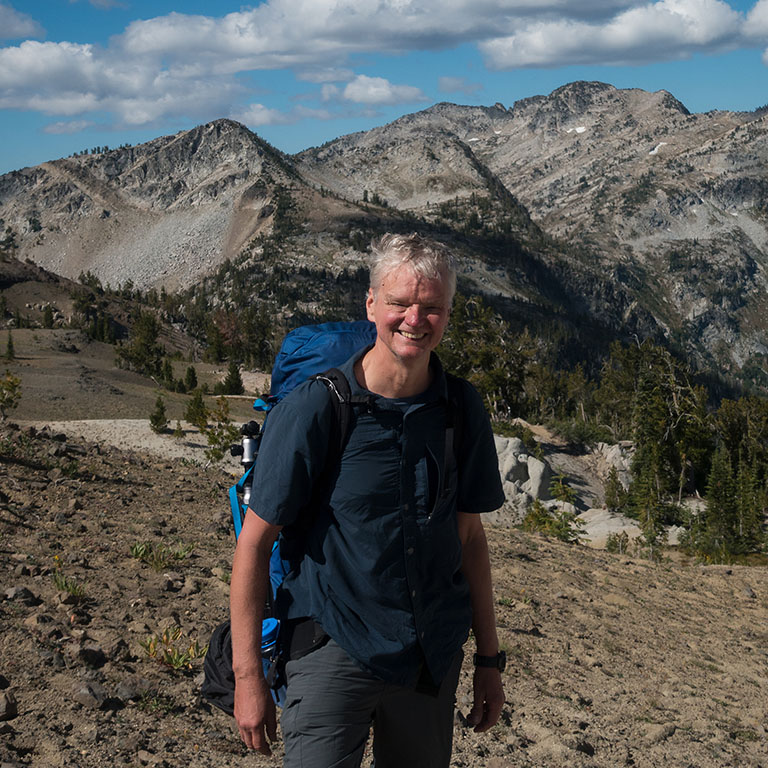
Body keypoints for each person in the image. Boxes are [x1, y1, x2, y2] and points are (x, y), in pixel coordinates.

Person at [229, 233, 506, 767]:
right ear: (372, 304)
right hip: (333, 645)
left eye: (431, 308)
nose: (414, 320)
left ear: (448, 314)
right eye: (400, 303)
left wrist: (489, 662)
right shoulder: (318, 408)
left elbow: (469, 538)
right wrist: (249, 678)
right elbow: (255, 543)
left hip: (429, 656)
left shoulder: (460, 409)